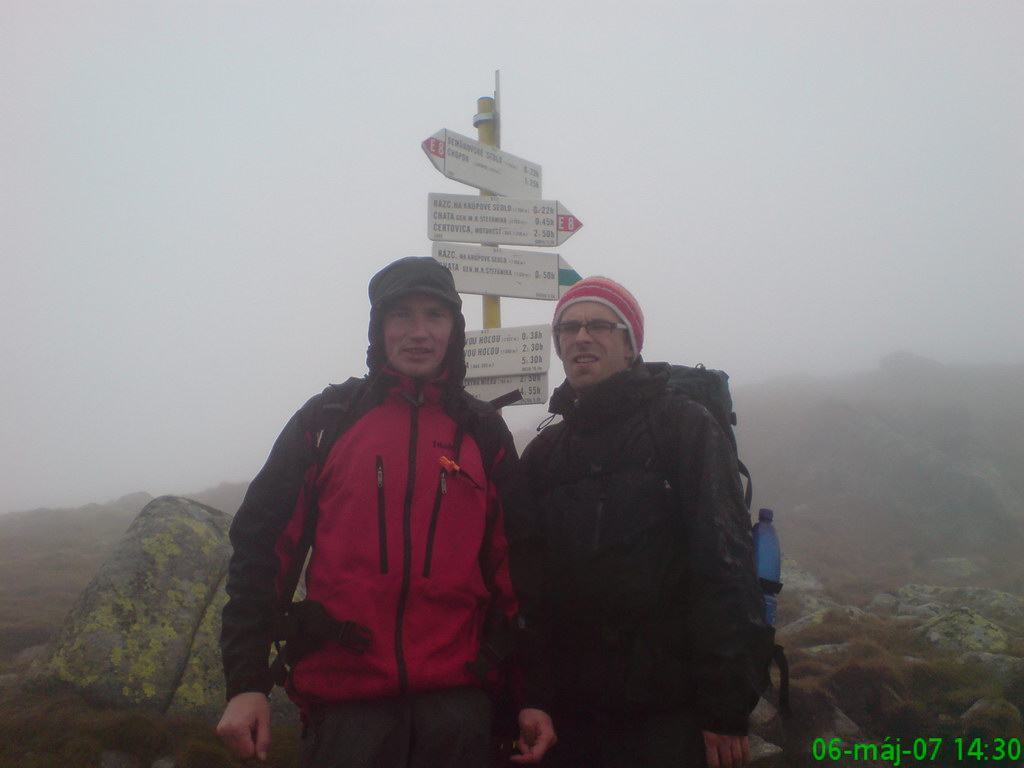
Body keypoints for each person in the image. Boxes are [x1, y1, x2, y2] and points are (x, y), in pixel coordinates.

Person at [217, 257, 555, 767]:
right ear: (379, 327)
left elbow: (519, 573)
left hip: (459, 710)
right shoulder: (328, 420)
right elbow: (263, 551)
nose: (419, 333)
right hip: (346, 713)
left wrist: (533, 694)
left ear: (454, 330)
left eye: (435, 316)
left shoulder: (482, 432)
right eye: (402, 315)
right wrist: (246, 684)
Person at [520, 276, 769, 768]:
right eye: (568, 328)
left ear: (632, 345)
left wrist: (724, 706)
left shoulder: (683, 426)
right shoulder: (545, 451)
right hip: (570, 712)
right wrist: (533, 695)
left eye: (599, 325)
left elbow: (724, 567)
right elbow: (529, 589)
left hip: (667, 710)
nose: (580, 337)